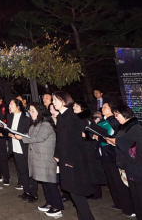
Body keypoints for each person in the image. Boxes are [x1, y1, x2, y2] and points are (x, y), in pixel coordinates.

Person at [107, 104, 142, 220]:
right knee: (137, 200)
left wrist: (118, 142)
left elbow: (138, 149)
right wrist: (115, 142)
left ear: (125, 113)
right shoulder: (124, 128)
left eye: (117, 114)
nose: (116, 117)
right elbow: (124, 144)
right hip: (131, 169)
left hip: (141, 170)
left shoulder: (136, 128)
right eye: (114, 114)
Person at [53, 91, 95, 220]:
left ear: (64, 101)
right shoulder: (61, 116)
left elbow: (75, 141)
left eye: (55, 99)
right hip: (65, 158)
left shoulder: (72, 117)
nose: (53, 102)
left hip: (73, 160)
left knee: (76, 191)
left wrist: (69, 160)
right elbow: (60, 139)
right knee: (73, 191)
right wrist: (57, 154)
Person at [92, 103, 134, 216]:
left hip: (113, 155)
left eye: (105, 107)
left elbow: (114, 138)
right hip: (105, 155)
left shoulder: (114, 122)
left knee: (119, 182)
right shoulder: (102, 121)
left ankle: (128, 208)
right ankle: (118, 203)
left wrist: (99, 137)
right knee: (112, 181)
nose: (102, 108)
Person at [23, 102, 63, 218]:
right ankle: (49, 203)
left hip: (46, 158)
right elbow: (30, 135)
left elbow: (39, 138)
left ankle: (57, 207)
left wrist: (22, 137)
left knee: (51, 183)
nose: (30, 113)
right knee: (44, 183)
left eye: (33, 111)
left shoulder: (46, 124)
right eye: (30, 111)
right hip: (38, 158)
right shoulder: (36, 124)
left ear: (39, 112)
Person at [5, 98, 34, 201]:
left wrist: (19, 136)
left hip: (24, 147)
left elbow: (29, 134)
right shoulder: (10, 117)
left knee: (29, 171)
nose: (9, 106)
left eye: (11, 104)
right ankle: (26, 191)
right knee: (22, 171)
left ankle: (33, 193)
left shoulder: (25, 118)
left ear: (17, 106)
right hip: (15, 147)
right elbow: (8, 131)